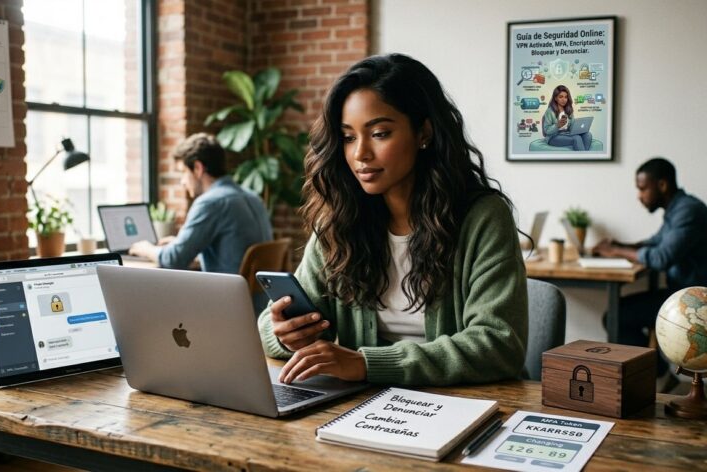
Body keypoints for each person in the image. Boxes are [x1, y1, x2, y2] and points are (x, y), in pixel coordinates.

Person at [257, 54, 528, 387]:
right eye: (348, 137)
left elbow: (498, 344)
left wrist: (368, 364)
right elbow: (272, 328)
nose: (360, 154)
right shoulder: (339, 222)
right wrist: (286, 333)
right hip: (367, 406)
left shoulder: (482, 218)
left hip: (466, 404)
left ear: (424, 132)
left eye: (380, 133)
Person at [593, 157, 707, 390]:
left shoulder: (688, 211)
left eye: (643, 188)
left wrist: (616, 251)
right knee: (620, 314)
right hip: (682, 294)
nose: (639, 195)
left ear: (662, 185)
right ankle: (660, 376)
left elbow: (661, 257)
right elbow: (655, 243)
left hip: (696, 301)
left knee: (617, 316)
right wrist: (621, 244)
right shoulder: (677, 209)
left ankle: (653, 379)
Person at [130, 133, 273, 274]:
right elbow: (233, 253)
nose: (182, 181)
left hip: (227, 295)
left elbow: (174, 259)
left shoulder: (210, 203)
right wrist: (181, 244)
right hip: (261, 296)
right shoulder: (253, 198)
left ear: (197, 168)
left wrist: (146, 249)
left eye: (183, 172)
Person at [542, 85, 592, 151]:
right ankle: (583, 158)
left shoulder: (568, 110)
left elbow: (572, 127)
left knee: (588, 135)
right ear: (555, 98)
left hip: (567, 134)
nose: (564, 100)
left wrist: (578, 128)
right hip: (553, 137)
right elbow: (547, 131)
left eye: (566, 97)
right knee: (576, 138)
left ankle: (584, 156)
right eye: (561, 97)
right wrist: (557, 125)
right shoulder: (550, 111)